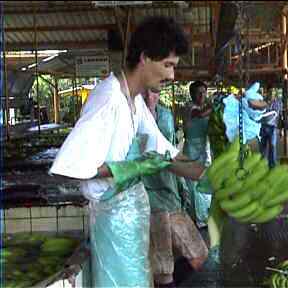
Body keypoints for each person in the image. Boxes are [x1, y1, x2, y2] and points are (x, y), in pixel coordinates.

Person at [49, 16, 205, 288]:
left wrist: (213, 176)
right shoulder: (108, 100)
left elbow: (168, 154)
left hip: (131, 226)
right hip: (114, 230)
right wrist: (128, 168)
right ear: (145, 58)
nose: (171, 75)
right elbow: (70, 166)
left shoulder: (134, 101)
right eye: (167, 65)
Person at [143, 89, 208, 288]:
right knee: (164, 269)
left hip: (170, 193)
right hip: (149, 198)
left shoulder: (165, 115)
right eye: (144, 91)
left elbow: (171, 151)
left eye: (154, 91)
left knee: (200, 255)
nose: (148, 96)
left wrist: (183, 184)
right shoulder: (131, 117)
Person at [183, 81, 213, 227]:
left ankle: (206, 216)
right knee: (194, 185)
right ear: (192, 94)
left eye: (204, 92)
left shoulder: (204, 108)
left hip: (204, 148)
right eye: (198, 92)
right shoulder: (190, 108)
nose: (202, 95)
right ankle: (197, 218)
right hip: (191, 150)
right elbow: (200, 115)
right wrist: (216, 105)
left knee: (206, 182)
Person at [260, 89, 283, 168]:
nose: (269, 94)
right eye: (268, 92)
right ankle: (262, 166)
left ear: (274, 93)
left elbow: (276, 115)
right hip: (263, 127)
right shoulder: (263, 102)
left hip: (272, 128)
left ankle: (272, 167)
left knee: (272, 148)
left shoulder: (277, 102)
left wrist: (281, 130)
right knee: (262, 149)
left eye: (271, 92)